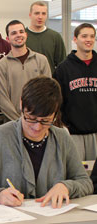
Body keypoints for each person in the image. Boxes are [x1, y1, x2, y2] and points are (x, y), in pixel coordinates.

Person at [0, 76, 93, 208]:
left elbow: (85, 182)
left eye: (45, 120)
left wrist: (66, 186)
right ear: (21, 105)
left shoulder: (62, 138)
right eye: (31, 118)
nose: (37, 127)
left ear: (55, 114)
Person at [53, 23, 97, 161]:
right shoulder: (63, 69)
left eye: (92, 36)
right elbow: (57, 102)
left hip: (96, 132)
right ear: (75, 39)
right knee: (76, 175)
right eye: (84, 36)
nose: (88, 39)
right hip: (73, 134)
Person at [0, 20, 51, 121]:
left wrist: (35, 119)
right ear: (7, 39)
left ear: (26, 34)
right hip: (12, 123)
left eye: (21, 32)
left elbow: (48, 93)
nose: (18, 35)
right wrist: (21, 121)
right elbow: (2, 100)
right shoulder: (1, 65)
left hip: (38, 122)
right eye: (14, 33)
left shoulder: (41, 60)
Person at [26, 1, 66, 73]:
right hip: (27, 81)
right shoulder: (22, 36)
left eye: (43, 13)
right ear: (30, 15)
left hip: (49, 81)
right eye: (37, 13)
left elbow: (62, 65)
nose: (40, 17)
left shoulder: (55, 37)